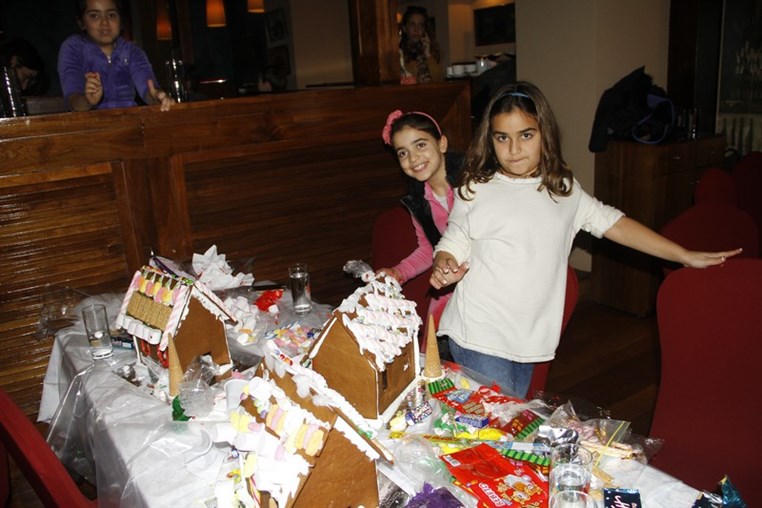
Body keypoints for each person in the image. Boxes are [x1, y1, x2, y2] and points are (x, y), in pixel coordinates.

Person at [430, 81, 743, 398]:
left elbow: (615, 224)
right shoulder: (476, 188)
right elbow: (453, 242)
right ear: (490, 139)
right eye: (502, 138)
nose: (513, 149)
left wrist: (681, 254)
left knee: (510, 421)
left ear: (544, 135)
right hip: (478, 329)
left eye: (526, 135)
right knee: (501, 425)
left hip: (529, 337)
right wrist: (445, 264)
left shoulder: (563, 189)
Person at [377, 110, 463, 354]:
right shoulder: (418, 201)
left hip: (485, 293)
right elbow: (429, 249)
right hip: (447, 297)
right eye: (403, 153)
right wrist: (398, 272)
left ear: (442, 143)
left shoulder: (473, 185)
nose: (413, 158)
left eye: (421, 145)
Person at [57, 0, 173, 112]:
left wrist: (158, 96)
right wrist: (88, 100)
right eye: (94, 16)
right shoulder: (73, 48)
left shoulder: (132, 50)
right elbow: (72, 99)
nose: (104, 22)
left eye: (111, 15)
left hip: (131, 121)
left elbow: (149, 88)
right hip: (90, 126)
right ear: (81, 23)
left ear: (121, 21)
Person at [398, 6, 444, 84]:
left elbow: (439, 80)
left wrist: (428, 55)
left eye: (420, 25)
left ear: (424, 29)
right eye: (412, 25)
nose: (416, 29)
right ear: (405, 28)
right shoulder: (399, 53)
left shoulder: (432, 51)